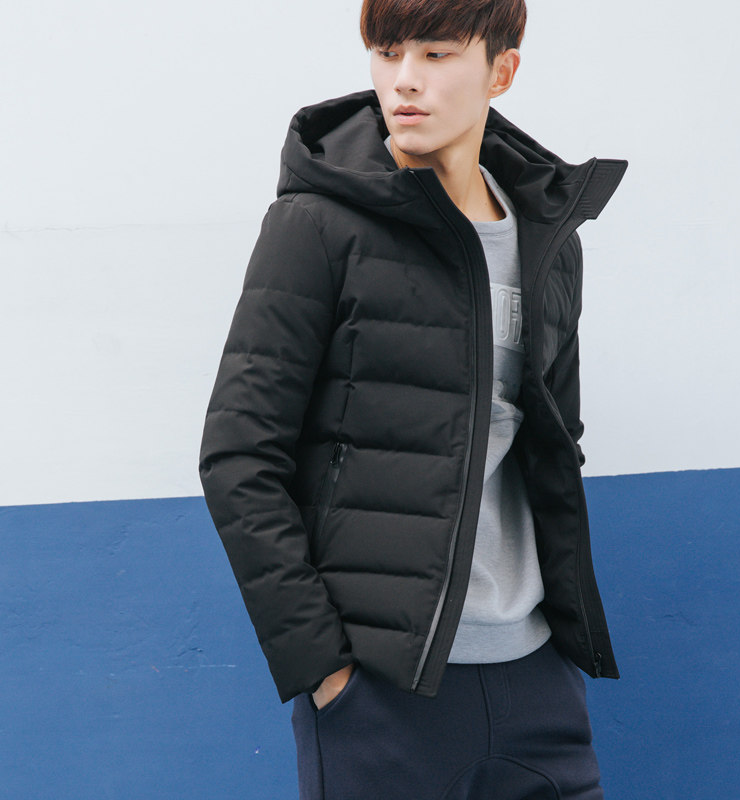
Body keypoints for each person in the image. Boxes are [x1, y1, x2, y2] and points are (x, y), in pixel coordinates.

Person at [199, 0, 627, 797]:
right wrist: (325, 672)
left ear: (501, 71)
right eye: (388, 51)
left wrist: (563, 645)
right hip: (384, 692)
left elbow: (552, 443)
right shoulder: (316, 225)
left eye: (435, 54)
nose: (404, 80)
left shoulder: (547, 241)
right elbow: (238, 457)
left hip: (537, 679)